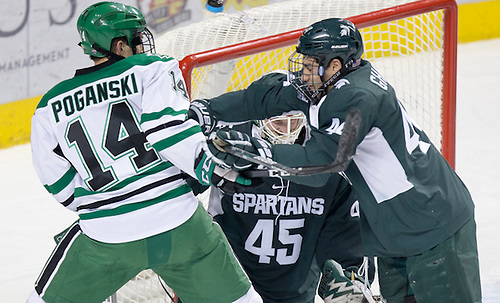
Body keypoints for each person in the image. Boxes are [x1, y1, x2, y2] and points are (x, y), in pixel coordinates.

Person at [189, 18, 481, 303]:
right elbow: (268, 96)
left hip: (434, 226)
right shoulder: (327, 83)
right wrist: (207, 110)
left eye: (308, 64)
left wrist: (257, 152)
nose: (302, 73)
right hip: (394, 230)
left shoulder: (358, 97)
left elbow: (324, 164)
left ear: (335, 65)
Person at [27, 2, 261, 303]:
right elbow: (167, 131)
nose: (142, 44)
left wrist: (96, 204)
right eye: (136, 39)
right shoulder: (154, 69)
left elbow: (57, 180)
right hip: (180, 225)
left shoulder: (49, 106)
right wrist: (208, 165)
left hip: (108, 236)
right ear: (120, 45)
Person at [200, 113, 374, 302]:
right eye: (278, 121)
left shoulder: (331, 157)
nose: (285, 131)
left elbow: (347, 236)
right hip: (229, 288)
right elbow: (179, 185)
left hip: (294, 294)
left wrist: (350, 277)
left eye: (293, 121)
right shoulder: (227, 142)